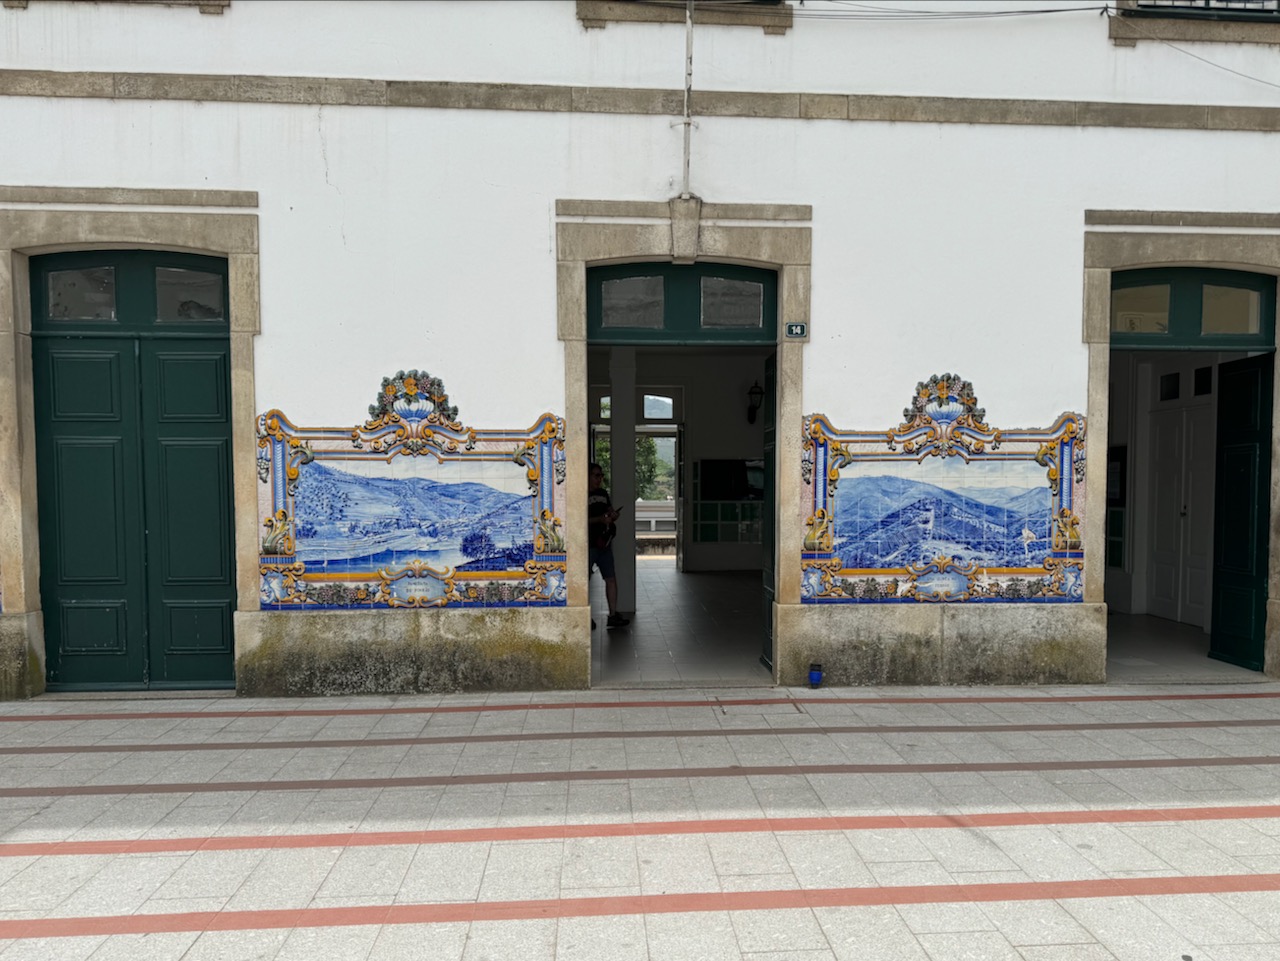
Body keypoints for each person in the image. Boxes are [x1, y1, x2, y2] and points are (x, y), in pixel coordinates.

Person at [588, 462, 630, 630]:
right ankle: (586, 615)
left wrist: (613, 516)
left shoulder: (603, 493)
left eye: (601, 476)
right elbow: (580, 520)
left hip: (604, 543)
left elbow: (609, 511)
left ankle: (613, 614)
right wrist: (599, 519)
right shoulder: (580, 495)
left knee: (611, 579)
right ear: (588, 476)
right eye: (596, 475)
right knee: (585, 581)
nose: (599, 479)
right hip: (589, 543)